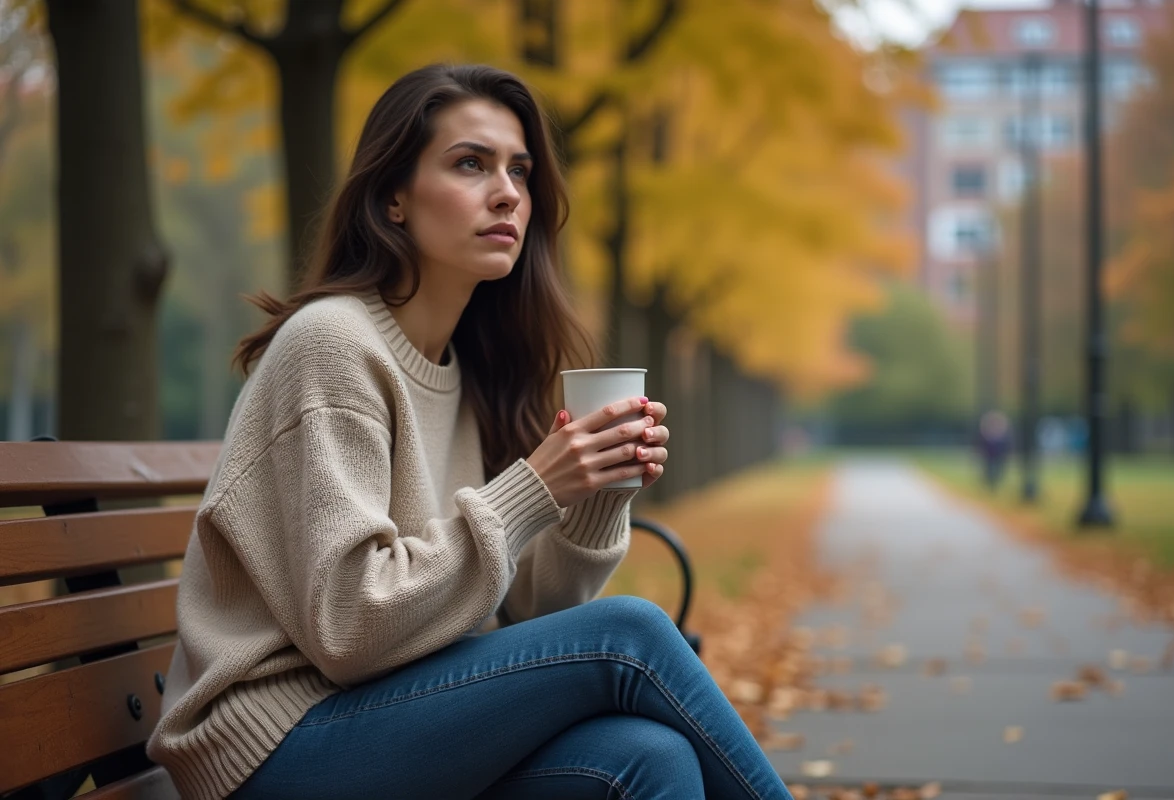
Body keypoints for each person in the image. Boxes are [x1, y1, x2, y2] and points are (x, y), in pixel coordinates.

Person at [147, 64, 792, 800]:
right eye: (470, 164)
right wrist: (534, 486)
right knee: (633, 636)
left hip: (396, 718)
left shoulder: (470, 366)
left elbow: (531, 615)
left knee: (651, 758)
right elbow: (350, 627)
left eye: (519, 170)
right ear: (393, 197)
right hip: (277, 748)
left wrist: (597, 493)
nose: (508, 192)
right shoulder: (331, 346)